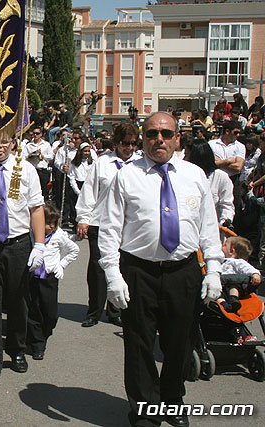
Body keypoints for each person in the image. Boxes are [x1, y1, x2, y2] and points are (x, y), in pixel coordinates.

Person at [99, 111, 224, 427]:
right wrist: (112, 274)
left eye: (166, 134)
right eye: (152, 133)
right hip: (139, 271)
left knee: (180, 342)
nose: (159, 140)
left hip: (183, 271)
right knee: (139, 344)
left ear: (177, 139)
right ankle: (144, 408)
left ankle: (172, 400)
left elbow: (208, 226)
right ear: (143, 138)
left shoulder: (195, 175)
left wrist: (213, 269)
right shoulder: (126, 176)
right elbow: (111, 229)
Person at [0, 135, 45, 386]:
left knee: (19, 302)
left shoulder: (25, 169)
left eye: (5, 141)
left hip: (17, 243)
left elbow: (36, 208)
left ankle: (17, 349)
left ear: (13, 143)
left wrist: (39, 244)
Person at [75, 123, 141, 328]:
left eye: (133, 144)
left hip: (128, 224)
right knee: (97, 268)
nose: (129, 148)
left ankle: (116, 310)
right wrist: (83, 218)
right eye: (124, 143)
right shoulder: (102, 163)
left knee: (122, 267)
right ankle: (94, 310)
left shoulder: (141, 164)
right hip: (101, 221)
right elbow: (90, 191)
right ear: (115, 143)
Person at [27, 203, 78, 359]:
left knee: (50, 313)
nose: (51, 227)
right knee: (34, 309)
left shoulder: (59, 235)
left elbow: (74, 250)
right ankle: (37, 343)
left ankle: (45, 332)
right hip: (33, 277)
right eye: (48, 223)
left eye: (54, 224)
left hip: (50, 278)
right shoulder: (31, 233)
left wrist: (61, 265)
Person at [185, 140, 234, 225]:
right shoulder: (184, 177)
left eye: (186, 156)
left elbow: (227, 205)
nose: (184, 159)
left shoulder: (221, 177)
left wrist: (223, 223)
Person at [216, 236, 261, 313]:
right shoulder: (220, 261)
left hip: (233, 286)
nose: (222, 246)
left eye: (225, 245)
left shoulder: (238, 262)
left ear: (231, 251)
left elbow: (248, 268)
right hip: (221, 287)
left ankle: (234, 299)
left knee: (234, 285)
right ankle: (223, 304)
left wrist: (255, 274)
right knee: (216, 293)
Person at [23, 125, 53, 200]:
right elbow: (24, 157)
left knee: (44, 191)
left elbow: (51, 156)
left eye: (37, 133)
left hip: (43, 170)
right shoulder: (29, 145)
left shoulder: (46, 144)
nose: (35, 135)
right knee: (32, 191)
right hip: (33, 170)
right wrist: (33, 154)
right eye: (34, 133)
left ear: (41, 134)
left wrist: (43, 156)